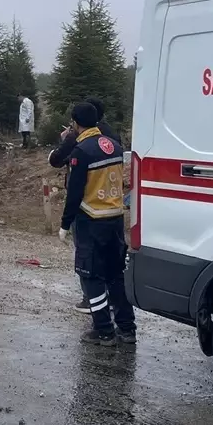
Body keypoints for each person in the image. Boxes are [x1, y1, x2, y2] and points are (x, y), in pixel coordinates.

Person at [58, 102, 135, 346]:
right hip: (115, 219)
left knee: (91, 278)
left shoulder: (82, 151)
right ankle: (127, 329)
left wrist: (64, 223)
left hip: (91, 220)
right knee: (115, 276)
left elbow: (75, 192)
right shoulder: (114, 146)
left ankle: (103, 331)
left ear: (76, 123)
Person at [49, 97, 121, 314]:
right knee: (114, 268)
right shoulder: (114, 139)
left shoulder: (79, 143)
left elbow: (60, 166)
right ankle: (123, 322)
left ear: (77, 121)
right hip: (114, 210)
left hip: (89, 211)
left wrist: (64, 222)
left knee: (88, 264)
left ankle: (92, 305)